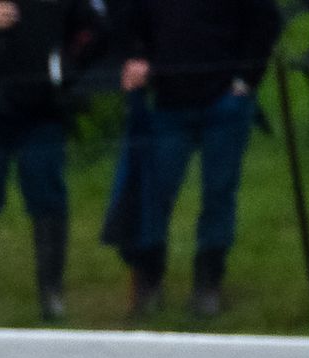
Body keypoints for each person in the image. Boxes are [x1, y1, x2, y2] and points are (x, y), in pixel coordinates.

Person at [0, 0, 106, 322]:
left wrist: (62, 69)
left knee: (47, 198)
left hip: (40, 113)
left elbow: (94, 29)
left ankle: (51, 293)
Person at [113, 0, 279, 318]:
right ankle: (149, 280)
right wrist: (135, 57)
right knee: (155, 193)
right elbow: (126, 16)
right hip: (167, 101)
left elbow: (265, 20)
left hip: (226, 101)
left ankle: (208, 284)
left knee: (218, 193)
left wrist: (246, 80)